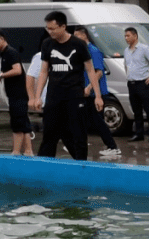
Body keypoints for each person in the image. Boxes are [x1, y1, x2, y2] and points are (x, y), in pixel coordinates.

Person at [31, 12, 103, 159]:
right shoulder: (47, 44)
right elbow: (44, 71)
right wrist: (37, 96)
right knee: (50, 133)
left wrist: (98, 96)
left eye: (53, 28)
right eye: (47, 28)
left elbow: (90, 69)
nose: (49, 32)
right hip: (54, 96)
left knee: (78, 134)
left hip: (74, 96)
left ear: (63, 26)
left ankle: (82, 165)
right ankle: (44, 165)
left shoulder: (79, 44)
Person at [73, 26, 120, 157]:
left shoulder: (93, 51)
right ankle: (78, 144)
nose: (74, 38)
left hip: (95, 93)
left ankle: (112, 147)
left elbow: (98, 72)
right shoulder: (82, 50)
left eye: (77, 36)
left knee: (98, 122)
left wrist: (89, 88)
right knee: (85, 120)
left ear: (84, 36)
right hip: (87, 93)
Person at [0, 30, 32, 155]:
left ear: (0, 39)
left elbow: (18, 70)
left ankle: (15, 152)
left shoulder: (10, 52)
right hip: (14, 95)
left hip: (18, 95)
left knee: (17, 125)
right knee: (24, 124)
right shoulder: (4, 54)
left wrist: (1, 76)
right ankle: (28, 151)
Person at [123, 26, 149, 142]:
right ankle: (139, 134)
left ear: (135, 36)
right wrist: (128, 76)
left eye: (128, 35)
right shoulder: (126, 50)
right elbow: (126, 65)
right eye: (125, 36)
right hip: (132, 84)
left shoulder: (144, 48)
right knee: (136, 110)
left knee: (148, 109)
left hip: (143, 83)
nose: (126, 38)